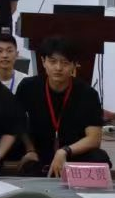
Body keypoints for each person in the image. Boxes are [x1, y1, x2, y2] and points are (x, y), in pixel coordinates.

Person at [16, 36, 110, 177]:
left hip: (72, 152)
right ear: (43, 61)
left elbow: (94, 139)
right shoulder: (28, 87)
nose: (58, 68)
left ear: (74, 65)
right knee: (25, 161)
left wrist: (65, 151)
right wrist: (30, 150)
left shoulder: (88, 94)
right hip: (38, 152)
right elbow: (17, 123)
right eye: (52, 61)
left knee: (99, 158)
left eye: (65, 63)